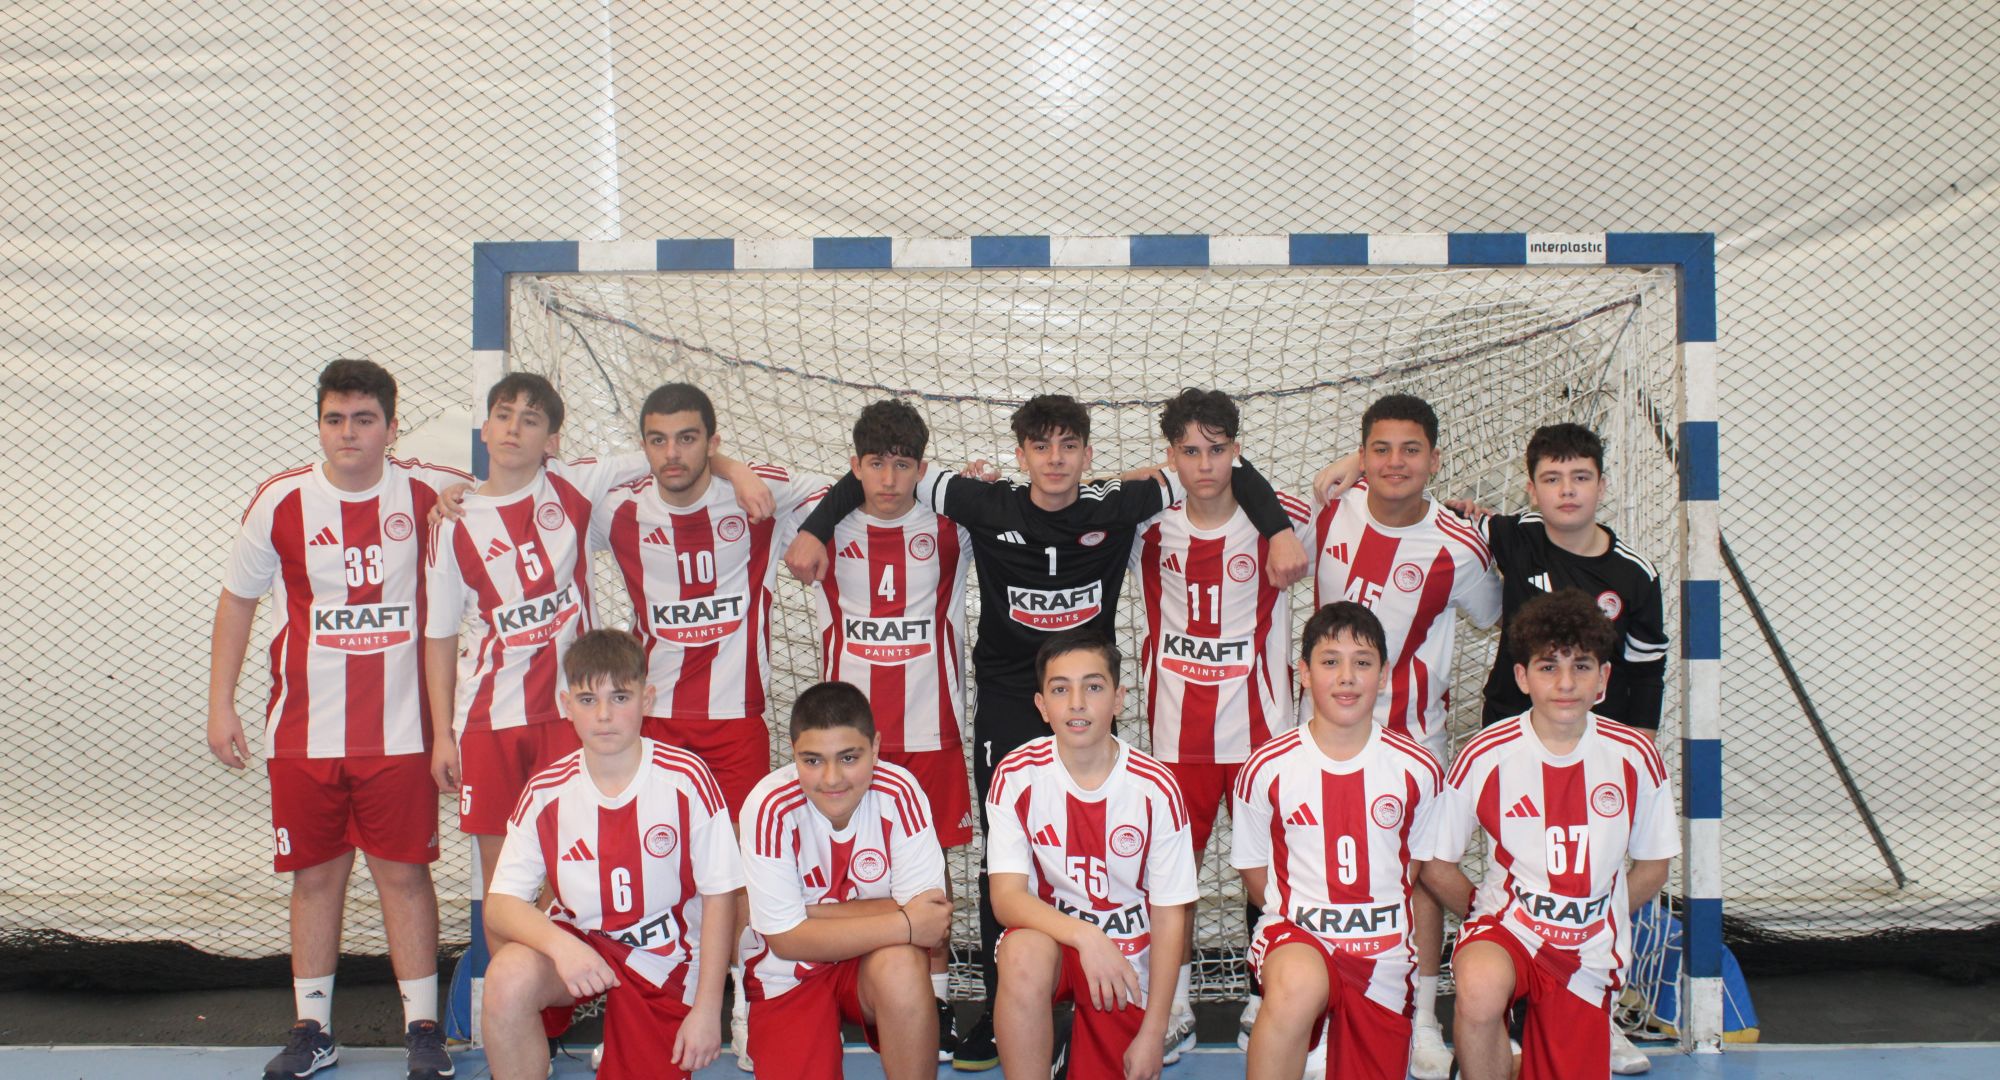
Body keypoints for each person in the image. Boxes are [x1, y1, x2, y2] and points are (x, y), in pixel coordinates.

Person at [785, 393, 1306, 1069]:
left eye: (1068, 447)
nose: (1055, 460)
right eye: (1041, 447)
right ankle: (1002, 1007)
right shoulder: (982, 501)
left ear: (1087, 455)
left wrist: (1279, 529)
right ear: (1021, 454)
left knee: (1112, 841)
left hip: (1086, 695)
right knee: (1003, 851)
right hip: (1011, 699)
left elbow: (1216, 466)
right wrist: (816, 527)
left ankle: (1127, 992)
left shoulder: (1120, 503)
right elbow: (885, 469)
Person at [207, 358, 460, 1080]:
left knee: (404, 878)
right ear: (320, 424)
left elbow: (514, 484)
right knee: (315, 880)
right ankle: (312, 1030)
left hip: (402, 734)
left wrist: (468, 498)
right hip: (304, 734)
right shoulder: (280, 500)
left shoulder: (430, 492)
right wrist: (220, 702)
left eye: (364, 419)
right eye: (335, 419)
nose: (348, 433)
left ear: (392, 426)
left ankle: (423, 1031)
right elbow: (239, 600)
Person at [1305, 392, 1501, 1078]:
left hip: (1415, 733)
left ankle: (1420, 1020)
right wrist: (1343, 468)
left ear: (1435, 460)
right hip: (1324, 732)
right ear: (1362, 455)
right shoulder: (1330, 507)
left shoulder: (1461, 546)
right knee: (1322, 869)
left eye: (1410, 450)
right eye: (1380, 449)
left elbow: (1493, 613)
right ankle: (1324, 1019)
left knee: (1417, 870)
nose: (1395, 462)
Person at [1423, 590, 1678, 1080]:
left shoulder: (1635, 756)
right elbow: (1435, 863)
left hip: (1588, 952)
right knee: (1479, 989)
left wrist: (1598, 913)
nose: (1565, 683)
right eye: (1548, 667)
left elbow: (1654, 867)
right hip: (1509, 932)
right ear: (1522, 677)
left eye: (1581, 666)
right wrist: (1489, 911)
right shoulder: (1486, 753)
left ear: (1604, 678)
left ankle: (1512, 1061)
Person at [1128, 388, 1312, 1052]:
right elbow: (1075, 500)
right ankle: (1173, 1004)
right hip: (1177, 737)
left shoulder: (1285, 519)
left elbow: (1364, 498)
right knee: (1172, 876)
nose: (1204, 465)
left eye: (1216, 450)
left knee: (1273, 873)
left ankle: (1268, 998)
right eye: (1189, 451)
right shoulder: (1148, 524)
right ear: (1170, 456)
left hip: (1264, 737)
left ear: (1237, 450)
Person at [421, 372, 652, 894]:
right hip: (488, 718)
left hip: (570, 714)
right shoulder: (453, 523)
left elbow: (668, 454)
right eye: (503, 416)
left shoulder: (574, 485)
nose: (512, 429)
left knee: (570, 864)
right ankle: (508, 955)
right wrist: (442, 736)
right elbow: (438, 638)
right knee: (504, 876)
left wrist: (732, 468)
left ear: (551, 441)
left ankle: (564, 952)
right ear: (484, 428)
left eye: (529, 420)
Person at [479, 629, 743, 1080]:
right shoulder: (545, 792)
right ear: (567, 705)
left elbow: (721, 897)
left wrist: (707, 1010)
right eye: (588, 700)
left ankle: (632, 1040)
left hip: (664, 956)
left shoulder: (686, 779)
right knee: (508, 978)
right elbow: (500, 904)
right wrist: (562, 947)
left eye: (620, 697)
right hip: (581, 942)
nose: (603, 715)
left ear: (647, 699)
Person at [802, 399, 974, 1057]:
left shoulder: (953, 526)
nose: (889, 479)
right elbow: (746, 487)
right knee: (830, 864)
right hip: (844, 741)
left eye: (903, 465)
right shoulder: (820, 523)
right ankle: (828, 991)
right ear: (854, 466)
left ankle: (935, 1002)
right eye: (875, 464)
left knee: (932, 872)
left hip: (932, 730)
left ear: (922, 469)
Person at [1230, 602, 1442, 1080]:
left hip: (1383, 953)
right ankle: (1307, 1017)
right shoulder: (1267, 767)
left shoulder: (1419, 769)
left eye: (1362, 662)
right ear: (1305, 673)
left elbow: (1413, 867)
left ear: (1382, 675)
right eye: (1330, 662)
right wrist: (1302, 918)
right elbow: (1253, 867)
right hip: (1298, 938)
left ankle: (1336, 1031)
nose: (1346, 676)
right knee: (1298, 983)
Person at [986, 631, 1196, 1080]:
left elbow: (1169, 917)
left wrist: (1153, 1033)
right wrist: (1087, 936)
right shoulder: (1016, 775)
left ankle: (1072, 1039)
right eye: (1061, 689)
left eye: (1094, 687)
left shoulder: (1156, 789)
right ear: (1042, 705)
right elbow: (1006, 899)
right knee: (1021, 954)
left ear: (1119, 699)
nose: (1077, 703)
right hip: (1058, 946)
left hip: (1126, 967)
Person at [737, 681, 954, 1080]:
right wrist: (904, 921)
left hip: (872, 962)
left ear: (876, 747)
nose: (832, 778)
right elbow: (785, 941)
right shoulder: (768, 807)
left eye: (849, 757)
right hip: (786, 974)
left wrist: (807, 915)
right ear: (793, 752)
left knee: (903, 967)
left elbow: (932, 919)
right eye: (813, 760)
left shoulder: (900, 792)